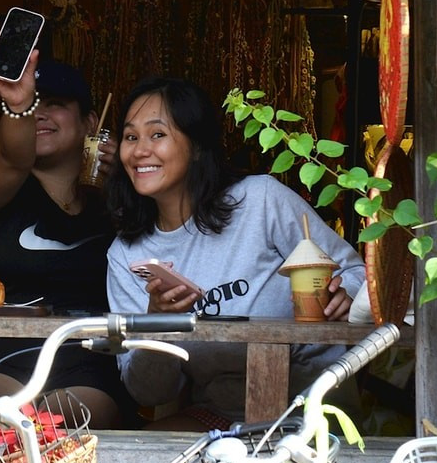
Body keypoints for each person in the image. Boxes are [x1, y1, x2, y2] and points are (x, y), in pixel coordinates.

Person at [105, 75, 367, 426]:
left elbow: (357, 272)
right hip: (219, 416)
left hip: (313, 407)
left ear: (197, 146)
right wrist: (156, 323)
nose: (139, 151)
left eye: (158, 134)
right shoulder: (125, 254)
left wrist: (346, 294)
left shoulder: (259, 201)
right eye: (130, 137)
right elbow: (148, 393)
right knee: (143, 459)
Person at [0, 47, 128, 427]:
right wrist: (17, 103)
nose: (40, 113)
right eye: (32, 106)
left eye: (54, 104)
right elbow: (12, 157)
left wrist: (122, 184)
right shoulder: (1, 183)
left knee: (80, 418)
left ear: (91, 122)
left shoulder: (120, 195)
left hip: (86, 359)